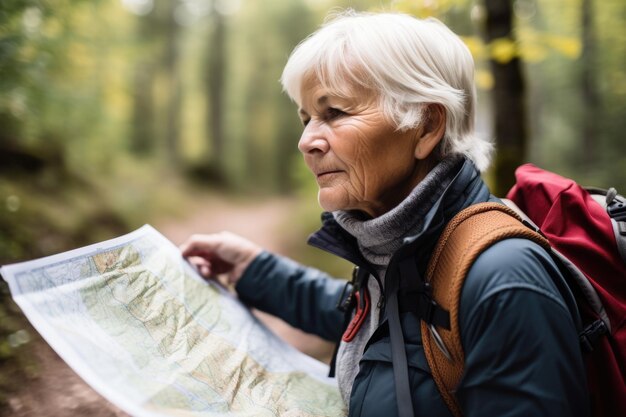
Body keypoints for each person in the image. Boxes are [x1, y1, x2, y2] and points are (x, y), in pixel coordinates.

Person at [180, 10, 589, 417]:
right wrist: (253, 269)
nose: (307, 141)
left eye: (335, 112)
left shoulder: (504, 280)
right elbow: (372, 313)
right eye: (306, 119)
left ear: (426, 125)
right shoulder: (401, 250)